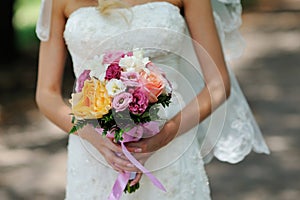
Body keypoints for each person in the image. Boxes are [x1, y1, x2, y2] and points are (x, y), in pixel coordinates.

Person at [35, 0, 270, 199]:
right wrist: (94, 137)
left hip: (171, 145)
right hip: (94, 154)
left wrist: (166, 133)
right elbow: (46, 94)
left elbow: (218, 85)